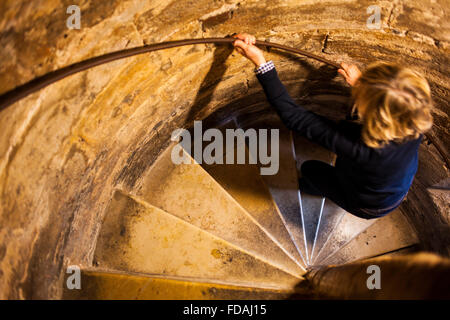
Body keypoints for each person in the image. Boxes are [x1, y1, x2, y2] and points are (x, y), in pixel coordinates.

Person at [232, 32, 434, 219]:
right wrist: (362, 84)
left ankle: (313, 188)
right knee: (329, 170)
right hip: (393, 193)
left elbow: (293, 116)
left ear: (374, 113)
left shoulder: (360, 147)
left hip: (364, 204)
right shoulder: (416, 121)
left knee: (310, 168)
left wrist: (260, 61)